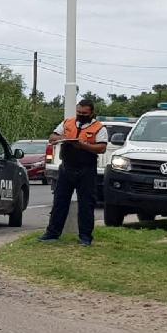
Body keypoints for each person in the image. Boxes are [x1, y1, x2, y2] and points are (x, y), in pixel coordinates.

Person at [38, 99, 108, 246]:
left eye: (84, 113)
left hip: (86, 169)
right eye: (79, 112)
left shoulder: (99, 128)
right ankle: (52, 234)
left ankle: (85, 238)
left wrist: (82, 145)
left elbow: (101, 148)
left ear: (92, 113)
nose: (81, 115)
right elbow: (52, 138)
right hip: (67, 167)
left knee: (86, 204)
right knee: (60, 202)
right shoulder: (67, 123)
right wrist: (63, 138)